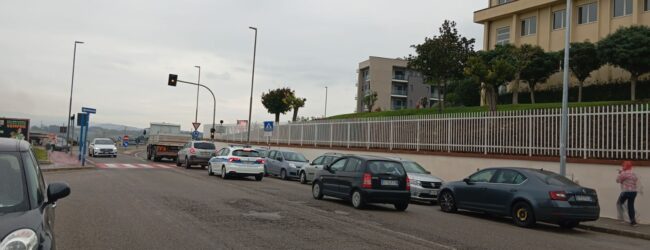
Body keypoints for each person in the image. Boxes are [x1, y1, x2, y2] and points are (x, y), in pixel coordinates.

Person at [616, 161, 640, 226]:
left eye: (623, 165)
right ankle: (633, 222)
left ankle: (621, 219)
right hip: (634, 192)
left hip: (626, 191)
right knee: (630, 206)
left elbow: (618, 180)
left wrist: (620, 173)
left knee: (619, 203)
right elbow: (636, 180)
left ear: (625, 166)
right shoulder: (634, 173)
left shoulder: (623, 173)